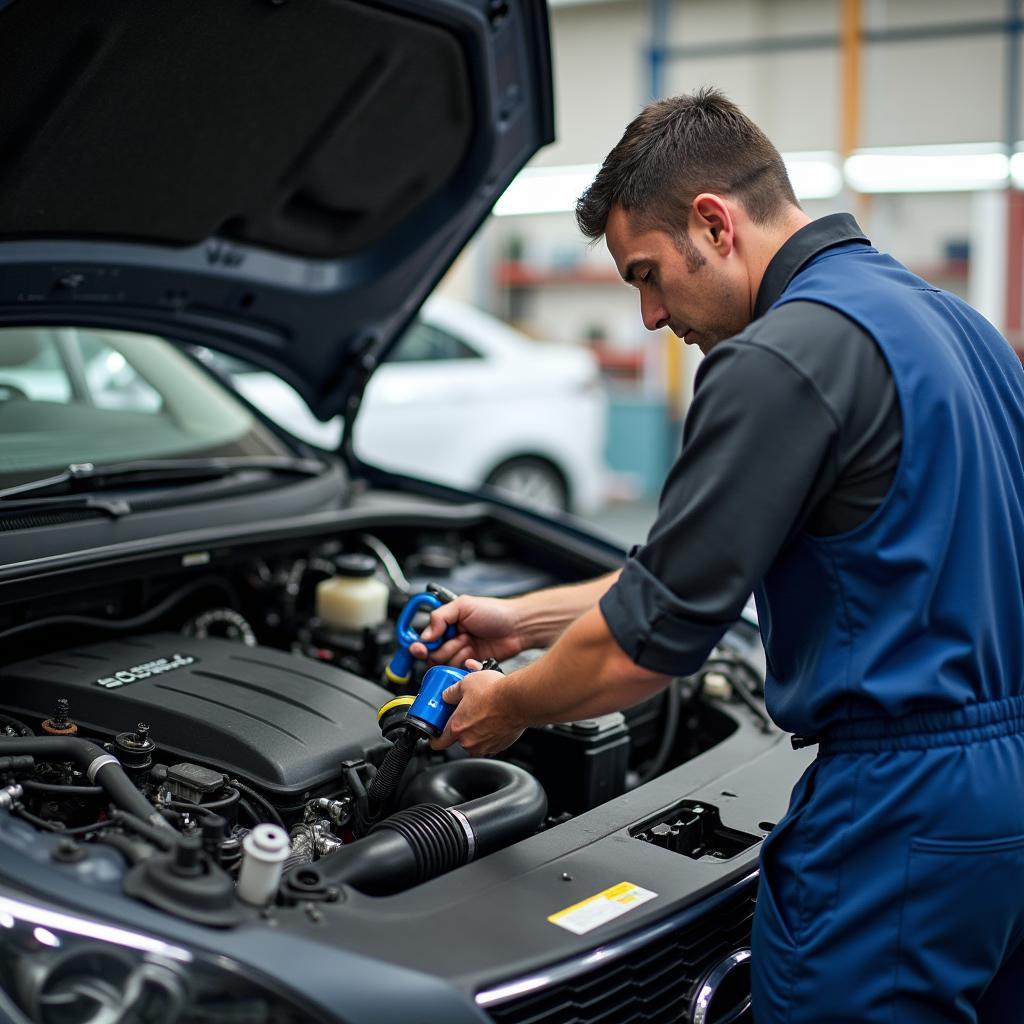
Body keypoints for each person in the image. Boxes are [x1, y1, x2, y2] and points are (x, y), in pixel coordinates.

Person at [409, 88, 1024, 1023]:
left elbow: (640, 648)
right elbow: (692, 573)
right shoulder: (956, 327)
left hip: (903, 806)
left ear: (714, 224)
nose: (652, 315)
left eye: (648, 274)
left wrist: (505, 706)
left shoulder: (778, 358)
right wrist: (520, 621)